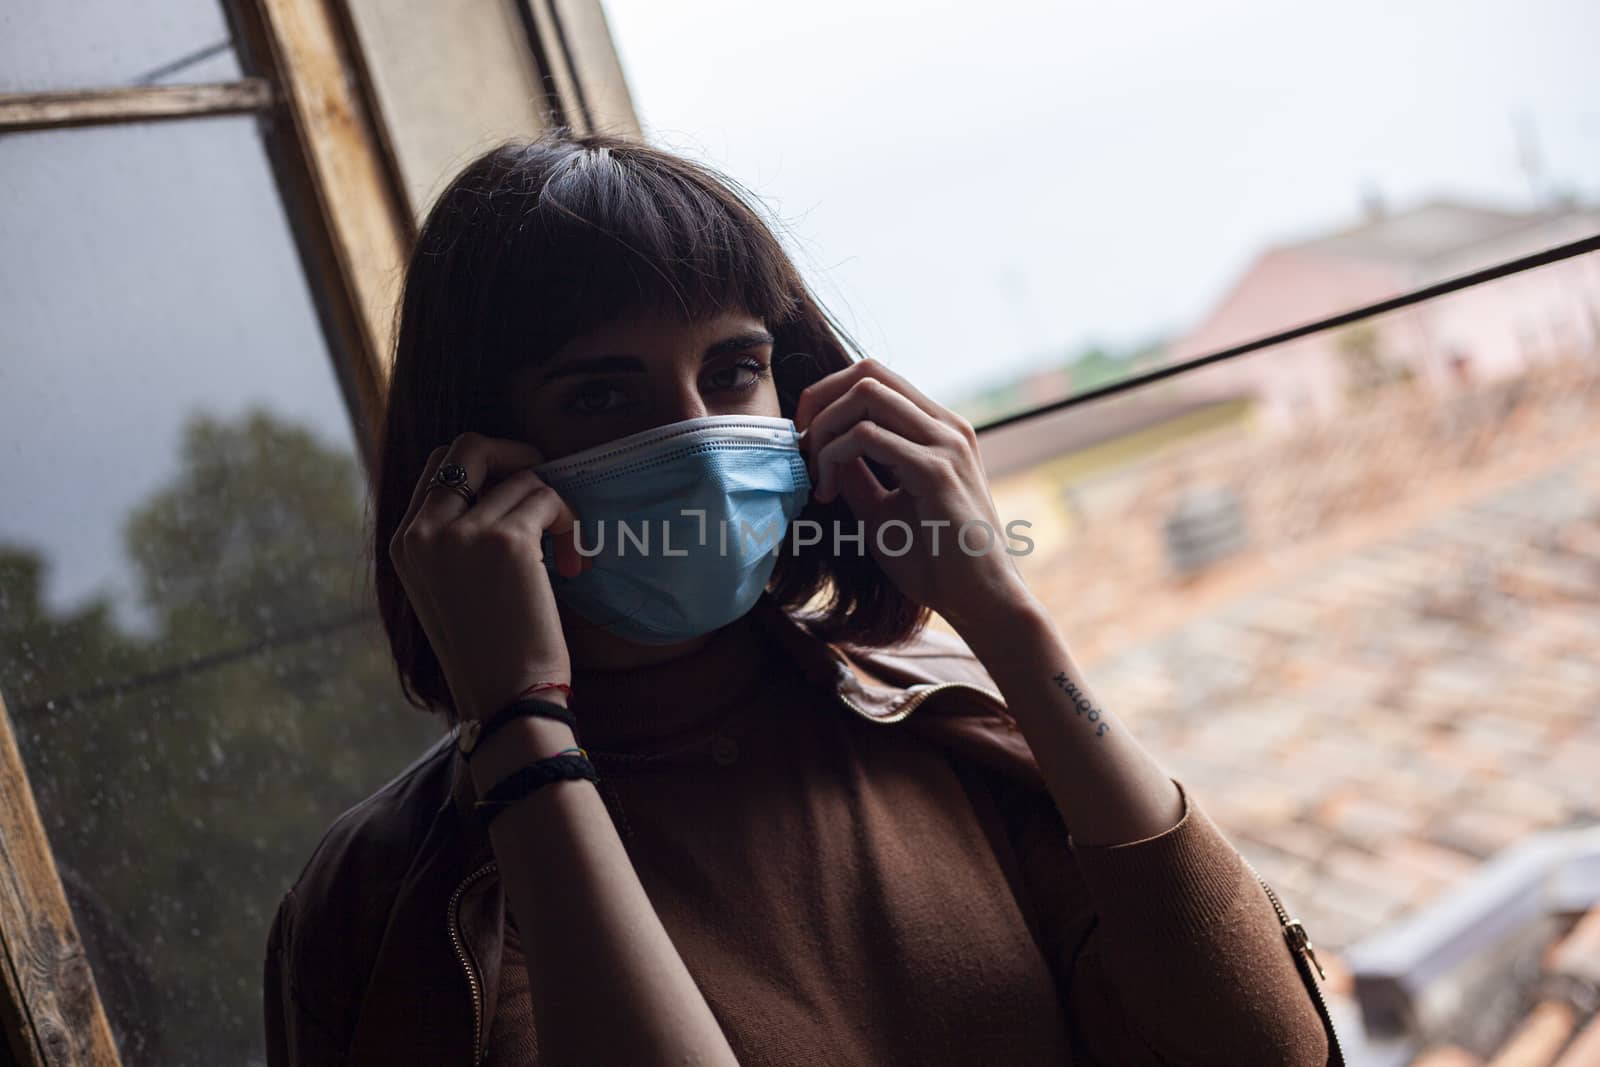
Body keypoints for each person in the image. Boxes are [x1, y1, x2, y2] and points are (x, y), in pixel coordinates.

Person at [263, 130, 1339, 1065]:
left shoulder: (943, 729)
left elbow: (1264, 1045)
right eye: (601, 392)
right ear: (471, 462)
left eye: (732, 370)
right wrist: (520, 731)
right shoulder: (395, 902)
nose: (693, 434)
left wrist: (1004, 617)